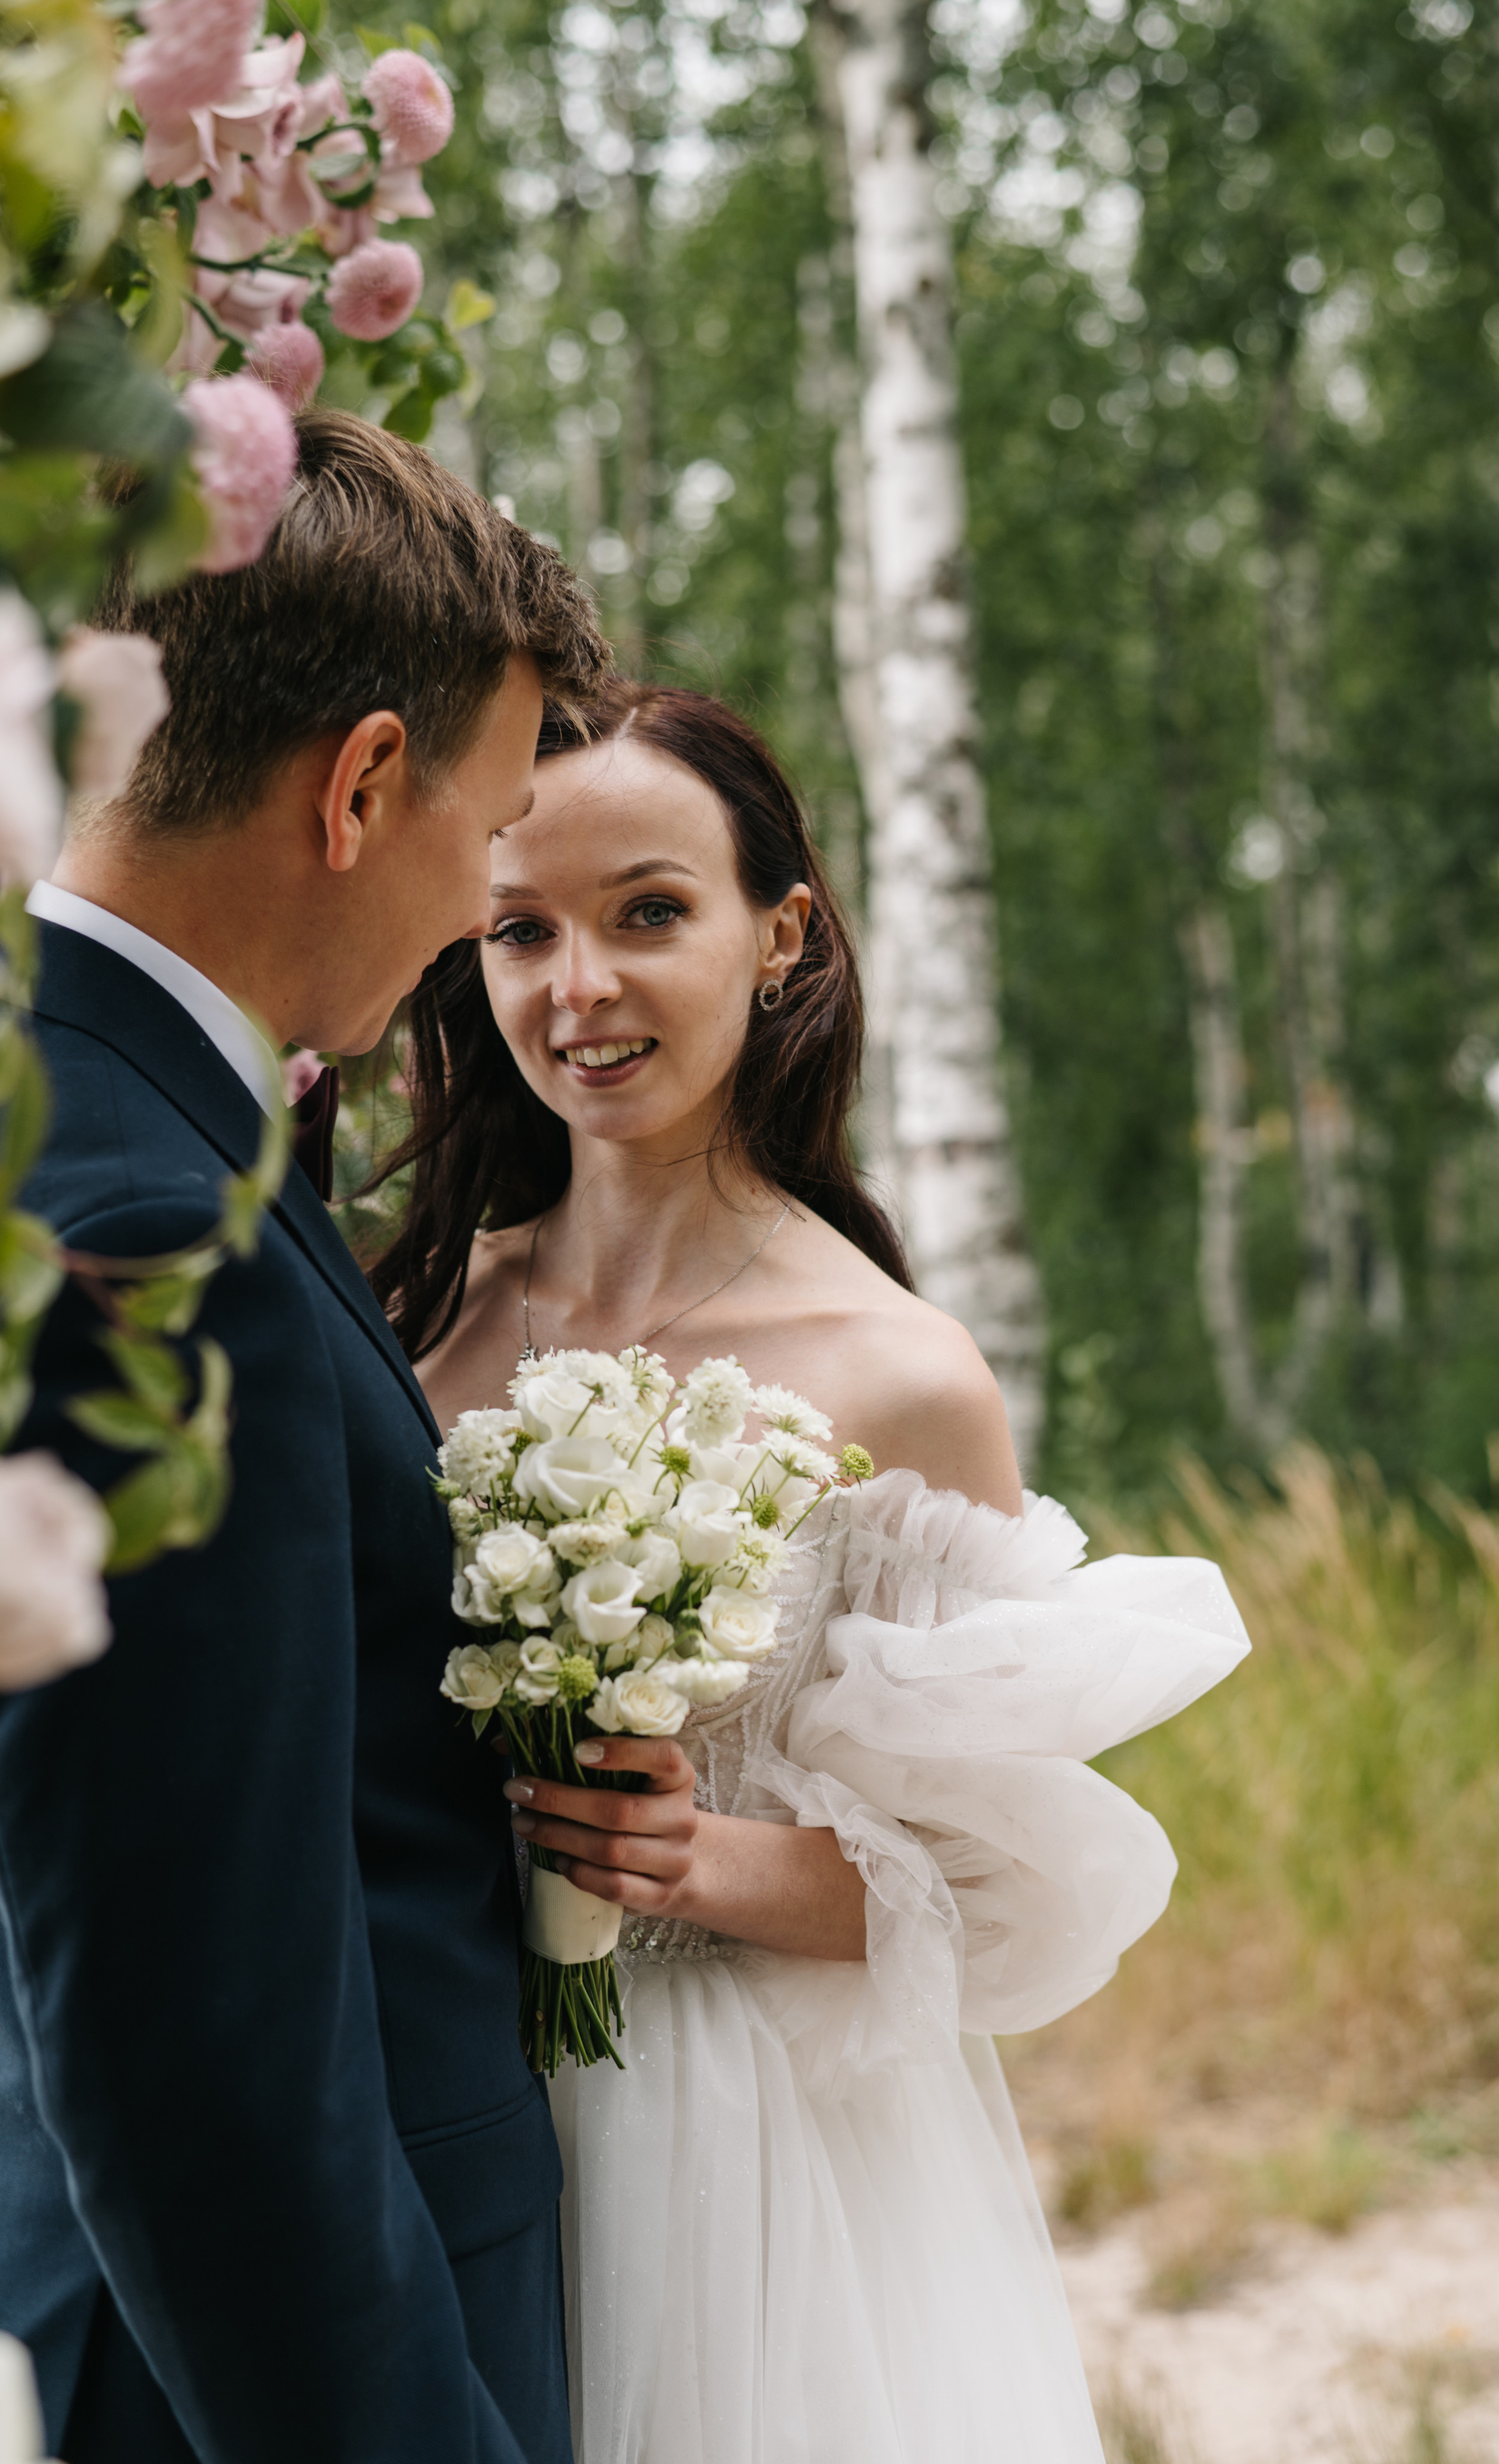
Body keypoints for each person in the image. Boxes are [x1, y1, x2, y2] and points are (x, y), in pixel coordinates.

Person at [378, 681, 1252, 2464]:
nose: (579, 989)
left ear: (777, 934)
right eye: (519, 930)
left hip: (744, 2157)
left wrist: (703, 1859)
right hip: (434, 2089)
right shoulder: (420, 1328)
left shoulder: (899, 1376)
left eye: (648, 912)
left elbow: (1013, 1887)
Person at [0, 413, 704, 2464]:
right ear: (365, 783)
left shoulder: (105, 1113)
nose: (476, 923)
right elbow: (203, 2050)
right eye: (487, 836)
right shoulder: (144, 1225)